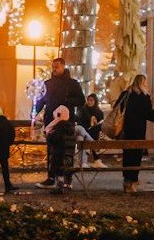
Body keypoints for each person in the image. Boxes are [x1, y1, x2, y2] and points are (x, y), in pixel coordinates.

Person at [35, 58, 86, 188]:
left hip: (66, 123)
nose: (54, 69)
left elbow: (81, 100)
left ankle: (67, 179)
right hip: (50, 122)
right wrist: (36, 110)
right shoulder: (47, 84)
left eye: (57, 67)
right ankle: (51, 177)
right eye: (53, 67)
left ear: (63, 66)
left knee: (67, 150)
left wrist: (67, 101)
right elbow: (41, 100)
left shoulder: (72, 84)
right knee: (51, 150)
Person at [119, 75, 154, 192]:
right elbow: (150, 115)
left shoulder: (126, 94)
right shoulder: (143, 97)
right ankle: (132, 181)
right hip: (138, 130)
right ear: (142, 83)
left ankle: (127, 180)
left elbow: (118, 108)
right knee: (136, 156)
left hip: (127, 130)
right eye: (145, 83)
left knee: (128, 155)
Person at [43, 106, 76, 191]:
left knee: (57, 164)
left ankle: (59, 187)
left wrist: (49, 136)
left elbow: (55, 138)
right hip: (69, 157)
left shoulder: (60, 126)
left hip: (59, 155)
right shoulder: (71, 127)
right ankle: (68, 184)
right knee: (66, 166)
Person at [75, 93, 106, 168]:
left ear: (95, 101)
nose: (89, 102)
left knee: (96, 129)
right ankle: (96, 159)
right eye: (88, 100)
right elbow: (80, 123)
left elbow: (100, 123)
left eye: (91, 100)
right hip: (84, 131)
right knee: (83, 135)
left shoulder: (99, 112)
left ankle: (95, 160)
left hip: (93, 132)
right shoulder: (83, 110)